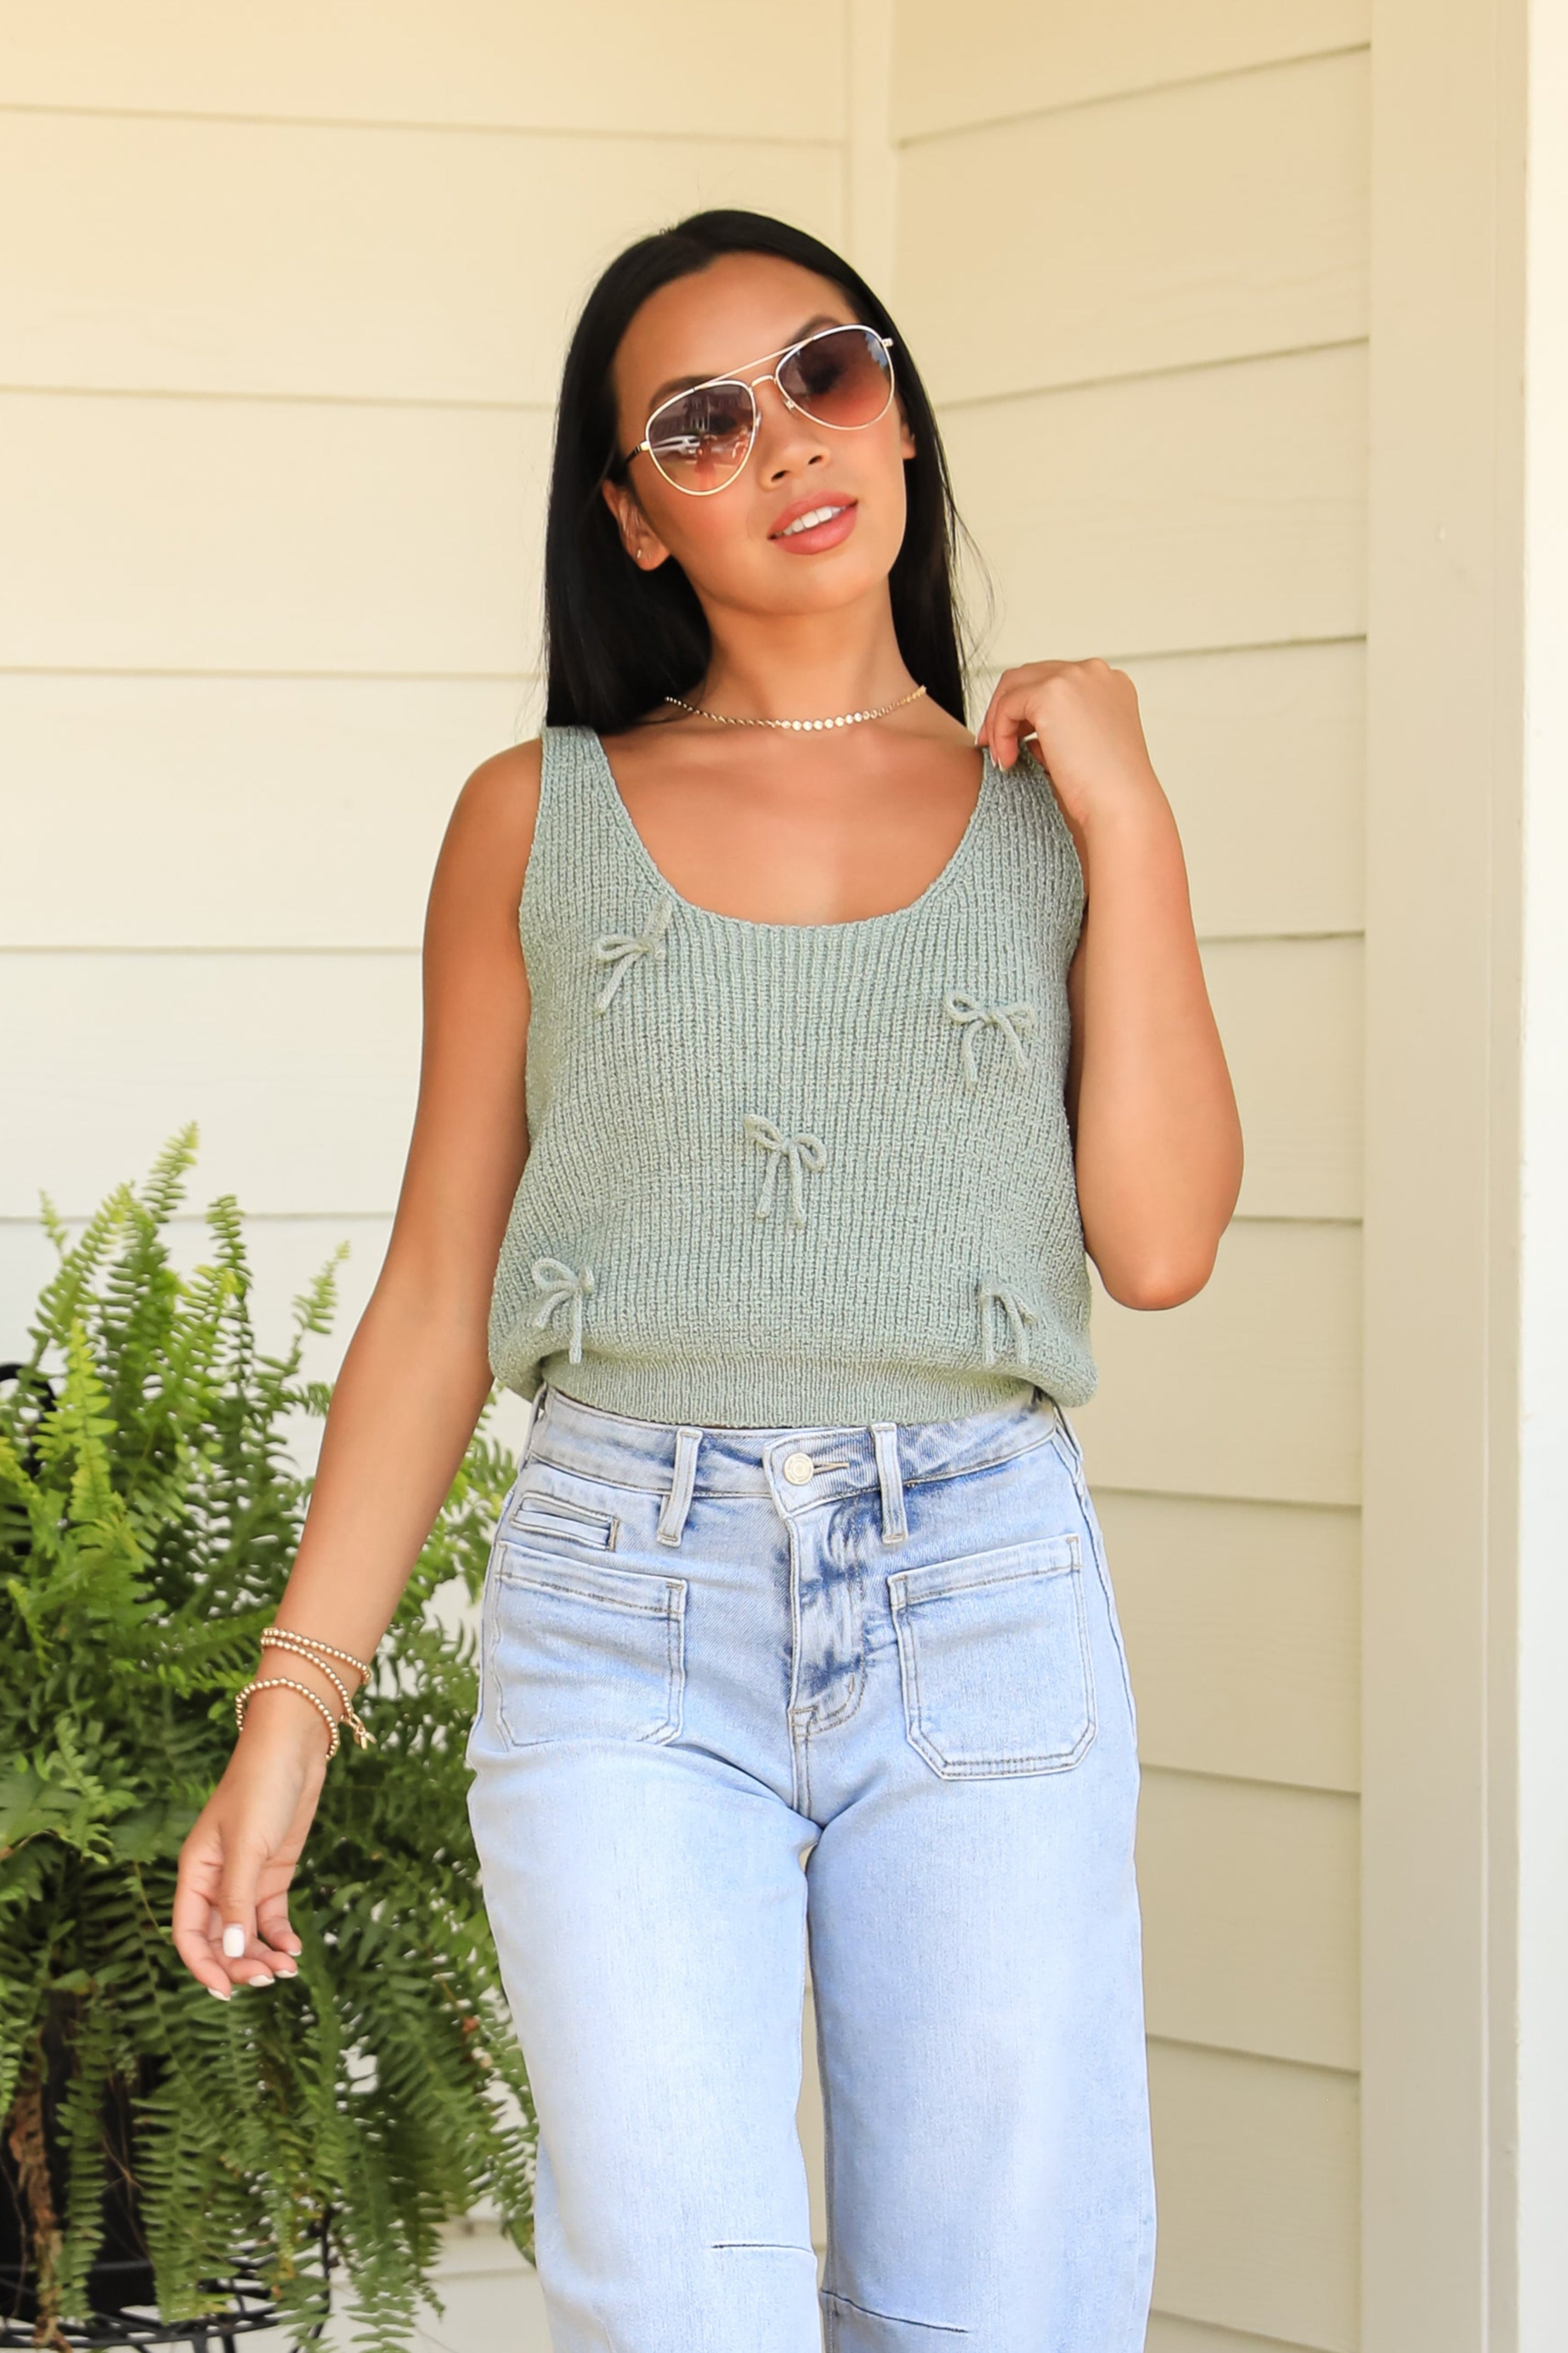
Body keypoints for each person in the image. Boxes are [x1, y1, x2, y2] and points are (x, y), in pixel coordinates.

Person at [173, 208, 1243, 2353]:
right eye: (700, 419)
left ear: (903, 418)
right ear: (631, 518)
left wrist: (1128, 807)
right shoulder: (532, 816)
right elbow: (433, 1291)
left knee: (999, 2310)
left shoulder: (1050, 812)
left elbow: (1159, 1238)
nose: (783, 441)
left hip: (982, 1592)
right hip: (619, 1606)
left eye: (825, 371)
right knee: (684, 2304)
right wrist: (291, 1703)